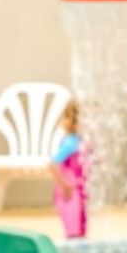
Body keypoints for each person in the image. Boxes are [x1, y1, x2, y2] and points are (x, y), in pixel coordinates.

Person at [49, 100, 88, 239]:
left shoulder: (80, 141)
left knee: (80, 230)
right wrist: (65, 185)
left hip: (77, 192)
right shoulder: (71, 142)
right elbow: (53, 164)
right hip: (69, 193)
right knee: (74, 232)